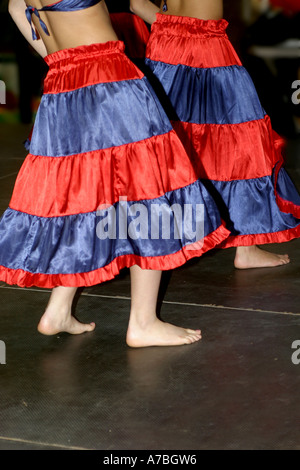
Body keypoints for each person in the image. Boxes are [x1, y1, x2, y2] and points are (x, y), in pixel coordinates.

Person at [0, 0, 230, 347]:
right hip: (108, 77)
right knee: (149, 189)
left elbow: (16, 9)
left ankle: (58, 310)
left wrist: (56, 56)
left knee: (85, 196)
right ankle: (143, 322)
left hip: (63, 80)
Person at [130, 0, 300, 269]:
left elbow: (137, 4)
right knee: (240, 143)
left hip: (165, 43)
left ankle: (170, 237)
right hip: (206, 46)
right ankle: (245, 247)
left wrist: (173, 25)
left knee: (176, 141)